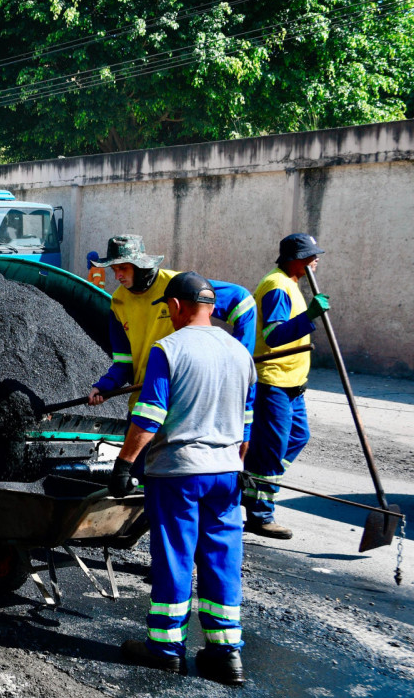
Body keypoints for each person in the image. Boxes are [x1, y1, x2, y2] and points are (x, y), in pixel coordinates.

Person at [109, 272, 254, 686]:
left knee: (174, 557)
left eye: (167, 310)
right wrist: (241, 466)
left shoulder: (168, 349)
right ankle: (226, 655)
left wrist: (125, 463)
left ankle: (166, 650)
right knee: (222, 559)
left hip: (178, 474)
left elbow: (149, 416)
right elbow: (247, 421)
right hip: (227, 473)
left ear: (175, 306)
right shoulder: (239, 352)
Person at [88, 235, 257, 409]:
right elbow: (124, 361)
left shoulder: (178, 285)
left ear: (140, 266)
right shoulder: (118, 301)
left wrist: (241, 356)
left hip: (183, 400)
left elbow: (242, 301)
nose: (117, 276)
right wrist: (105, 386)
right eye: (114, 269)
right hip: (144, 402)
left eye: (122, 268)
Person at [243, 233, 330, 539]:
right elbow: (274, 336)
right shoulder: (277, 286)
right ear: (295, 259)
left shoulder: (290, 283)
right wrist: (310, 317)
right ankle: (260, 514)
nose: (316, 259)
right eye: (310, 255)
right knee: (272, 448)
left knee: (297, 437)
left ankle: (249, 480)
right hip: (273, 381)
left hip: (293, 383)